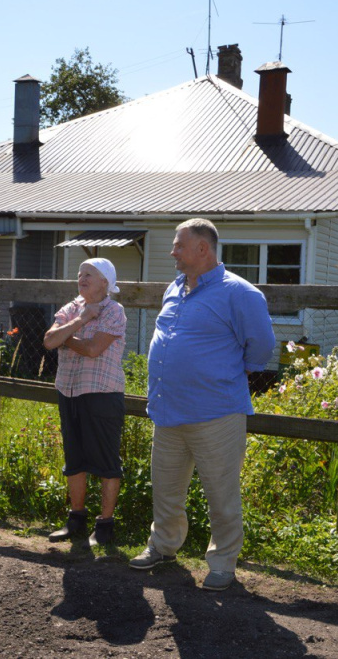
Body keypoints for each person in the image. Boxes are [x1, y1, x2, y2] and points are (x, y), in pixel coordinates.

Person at [129, 218, 275, 591]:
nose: (173, 251)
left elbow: (260, 349)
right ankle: (163, 546)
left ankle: (223, 563)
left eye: (178, 245)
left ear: (202, 249)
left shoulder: (239, 293)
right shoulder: (174, 289)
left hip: (216, 413)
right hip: (168, 411)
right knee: (165, 488)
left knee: (221, 493)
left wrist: (216, 375)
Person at [43, 259, 128, 546]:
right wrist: (79, 322)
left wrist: (67, 337)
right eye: (80, 273)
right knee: (74, 459)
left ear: (105, 281)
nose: (81, 278)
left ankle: (104, 527)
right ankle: (75, 520)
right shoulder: (72, 309)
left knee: (105, 461)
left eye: (89, 274)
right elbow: (48, 340)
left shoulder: (114, 311)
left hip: (101, 393)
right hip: (68, 390)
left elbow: (92, 350)